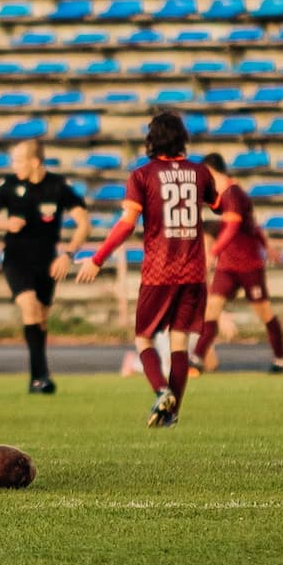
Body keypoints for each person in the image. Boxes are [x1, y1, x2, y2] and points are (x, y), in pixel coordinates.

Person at [76, 111, 216, 429]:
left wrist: (97, 259)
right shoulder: (200, 172)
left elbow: (127, 224)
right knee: (179, 342)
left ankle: (161, 389)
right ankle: (172, 412)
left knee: (143, 339)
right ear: (183, 139)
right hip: (193, 271)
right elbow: (219, 204)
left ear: (151, 140)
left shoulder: (142, 176)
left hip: (159, 271)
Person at [0, 139, 90, 395]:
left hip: (48, 262)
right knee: (29, 306)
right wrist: (6, 225)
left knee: (40, 318)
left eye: (19, 160)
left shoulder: (58, 186)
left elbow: (83, 222)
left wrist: (68, 255)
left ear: (35, 162)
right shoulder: (10, 185)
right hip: (16, 260)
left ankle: (41, 374)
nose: (14, 165)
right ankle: (38, 377)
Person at [193, 152, 283, 376]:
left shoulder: (234, 194)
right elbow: (253, 227)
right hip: (228, 266)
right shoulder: (222, 196)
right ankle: (196, 359)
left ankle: (281, 359)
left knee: (264, 312)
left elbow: (233, 228)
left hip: (248, 266)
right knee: (212, 310)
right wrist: (267, 247)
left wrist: (213, 252)